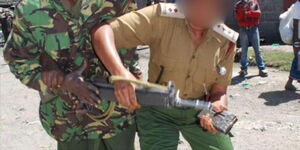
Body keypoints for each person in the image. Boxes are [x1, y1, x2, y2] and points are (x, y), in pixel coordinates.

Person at [91, 1, 239, 149]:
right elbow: (102, 32)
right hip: (157, 111)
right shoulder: (162, 17)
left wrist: (218, 105)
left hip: (199, 112)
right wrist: (120, 73)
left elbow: (219, 91)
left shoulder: (226, 40)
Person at [3, 0, 141, 150]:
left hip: (116, 115)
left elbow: (131, 40)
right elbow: (18, 59)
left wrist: (124, 73)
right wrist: (57, 81)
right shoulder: (30, 8)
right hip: (67, 121)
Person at [235, 0, 268, 77]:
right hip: (243, 29)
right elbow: (239, 18)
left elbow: (258, 14)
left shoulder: (254, 2)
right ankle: (243, 69)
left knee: (257, 50)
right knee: (244, 50)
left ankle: (261, 68)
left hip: (253, 28)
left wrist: (248, 13)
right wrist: (242, 9)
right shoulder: (238, 5)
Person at [279, 0, 300, 91]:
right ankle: (290, 82)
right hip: (298, 38)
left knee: (298, 59)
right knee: (298, 59)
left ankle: (291, 81)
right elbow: (295, 24)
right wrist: (296, 42)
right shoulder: (298, 5)